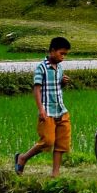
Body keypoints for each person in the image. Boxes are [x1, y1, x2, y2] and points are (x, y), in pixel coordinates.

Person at [14, 36, 72, 177]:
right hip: (47, 111)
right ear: (52, 51)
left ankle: (55, 173)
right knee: (47, 141)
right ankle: (23, 157)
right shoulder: (41, 68)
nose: (63, 57)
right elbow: (37, 89)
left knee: (61, 143)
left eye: (65, 54)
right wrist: (41, 110)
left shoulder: (59, 67)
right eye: (61, 53)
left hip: (61, 110)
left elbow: (57, 88)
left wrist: (63, 82)